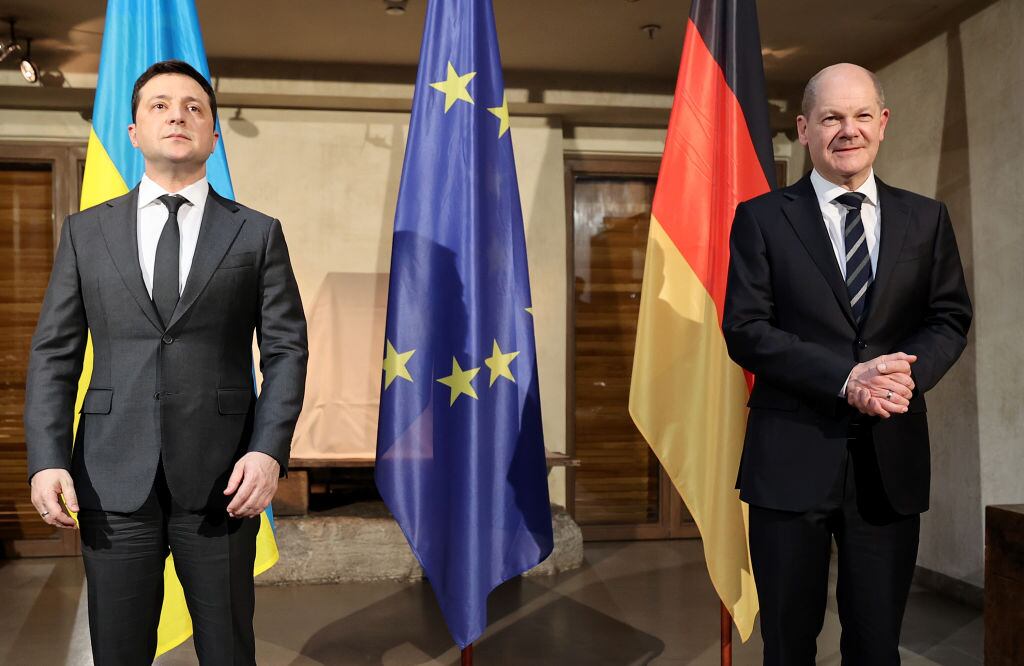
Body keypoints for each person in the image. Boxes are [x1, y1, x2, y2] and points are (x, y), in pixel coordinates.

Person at [24, 59, 308, 665]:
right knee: (119, 651)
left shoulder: (256, 234)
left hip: (223, 477)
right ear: (133, 133)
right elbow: (54, 355)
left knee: (228, 650)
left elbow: (285, 349)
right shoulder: (85, 233)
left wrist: (268, 451)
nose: (177, 114)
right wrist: (45, 460)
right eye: (159, 105)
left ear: (213, 135)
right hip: (108, 472)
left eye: (193, 107)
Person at [723, 63, 972, 665]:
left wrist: (902, 376)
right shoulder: (762, 218)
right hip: (790, 459)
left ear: (882, 124)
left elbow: (949, 317)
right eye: (832, 117)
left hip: (889, 463)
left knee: (877, 644)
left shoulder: (926, 218)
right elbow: (747, 330)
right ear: (805, 129)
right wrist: (845, 378)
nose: (848, 130)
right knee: (787, 644)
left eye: (862, 115)